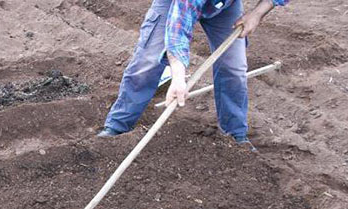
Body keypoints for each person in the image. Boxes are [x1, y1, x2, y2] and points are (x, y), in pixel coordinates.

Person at [97, 0, 289, 151]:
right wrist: (178, 78)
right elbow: (178, 30)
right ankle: (118, 125)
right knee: (148, 62)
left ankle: (235, 133)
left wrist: (257, 14)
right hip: (173, 4)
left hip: (226, 7)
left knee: (234, 68)